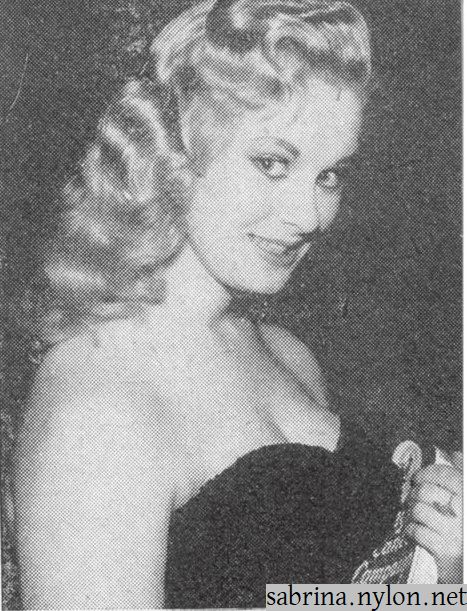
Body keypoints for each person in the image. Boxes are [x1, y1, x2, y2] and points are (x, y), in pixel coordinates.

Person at [11, 0, 462, 608]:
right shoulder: (97, 410)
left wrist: (445, 574)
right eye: (273, 163)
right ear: (173, 150)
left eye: (330, 175)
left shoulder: (284, 350)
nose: (309, 215)